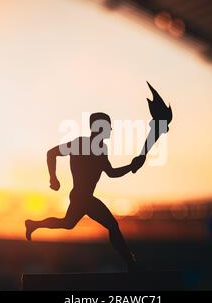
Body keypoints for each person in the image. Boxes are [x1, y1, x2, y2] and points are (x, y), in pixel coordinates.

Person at [25, 112, 146, 271]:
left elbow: (111, 172)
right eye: (107, 126)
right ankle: (131, 263)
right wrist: (53, 178)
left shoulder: (102, 148)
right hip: (83, 197)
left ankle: (34, 224)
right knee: (112, 225)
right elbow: (51, 153)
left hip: (82, 197)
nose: (110, 129)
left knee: (67, 223)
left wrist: (131, 166)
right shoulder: (80, 143)